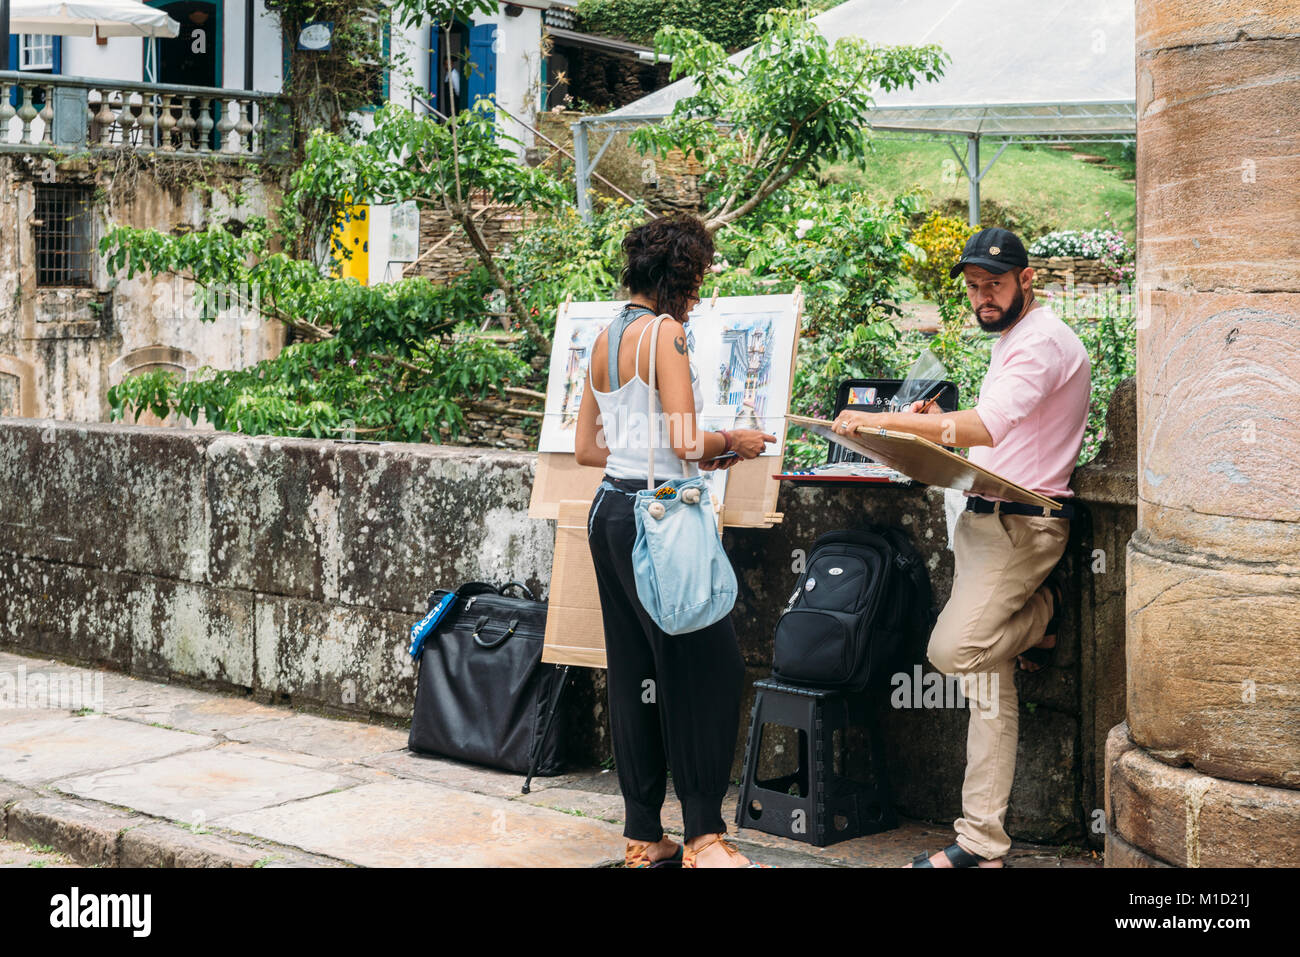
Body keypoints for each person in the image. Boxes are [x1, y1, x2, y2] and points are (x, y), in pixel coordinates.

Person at [833, 227, 1091, 868]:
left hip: (1019, 527)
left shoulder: (1043, 342)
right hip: (984, 520)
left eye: (994, 284)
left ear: (1027, 280)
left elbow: (983, 425)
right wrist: (929, 428)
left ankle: (1045, 616)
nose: (982, 297)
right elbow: (994, 434)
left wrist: (884, 421)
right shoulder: (1015, 338)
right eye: (974, 286)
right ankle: (981, 843)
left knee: (952, 651)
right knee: (986, 691)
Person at [574, 214, 777, 868]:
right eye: (698, 279)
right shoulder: (665, 333)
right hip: (657, 521)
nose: (696, 297)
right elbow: (690, 440)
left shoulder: (604, 336)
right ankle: (703, 837)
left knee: (635, 673)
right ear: (682, 276)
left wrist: (666, 447)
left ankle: (641, 835)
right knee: (708, 670)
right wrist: (733, 444)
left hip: (609, 510)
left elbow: (587, 448)